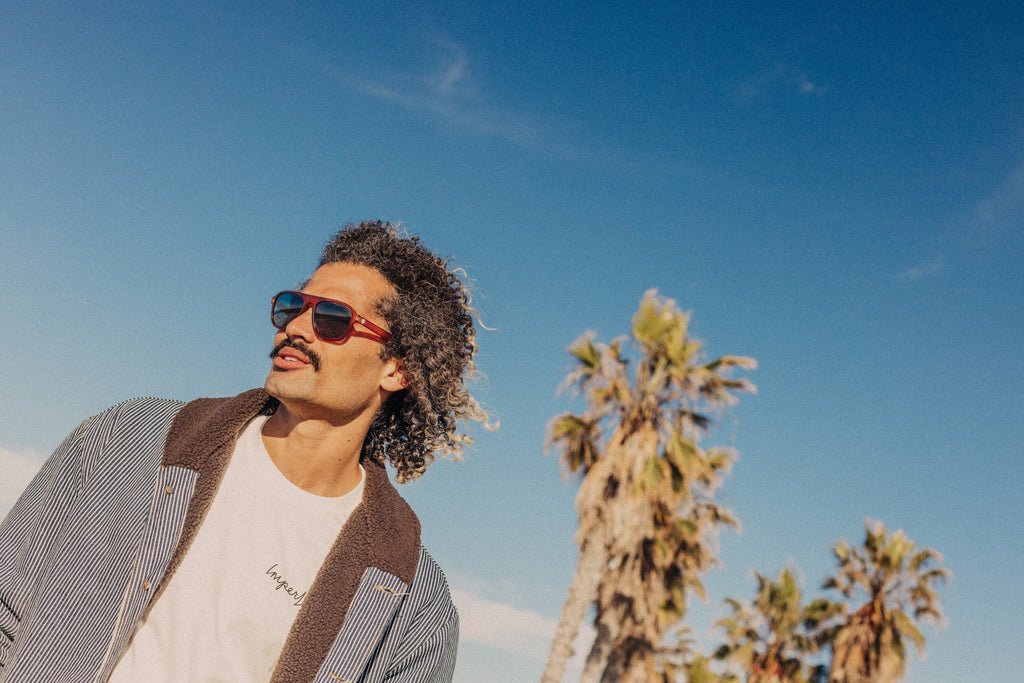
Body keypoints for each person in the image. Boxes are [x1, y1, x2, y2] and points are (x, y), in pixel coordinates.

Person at [0, 221, 489, 682]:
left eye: (333, 319)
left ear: (397, 371)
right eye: (293, 306)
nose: (297, 326)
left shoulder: (415, 605)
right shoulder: (127, 440)